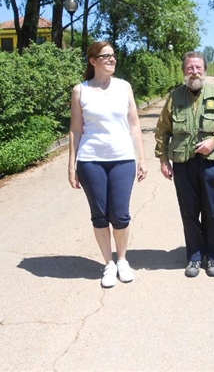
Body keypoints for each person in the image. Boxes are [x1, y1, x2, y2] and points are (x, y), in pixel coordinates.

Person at [68, 41, 148, 288]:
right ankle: (108, 264)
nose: (112, 60)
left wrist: (142, 158)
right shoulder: (80, 91)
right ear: (93, 61)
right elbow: (75, 130)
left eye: (113, 55)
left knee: (120, 214)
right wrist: (72, 165)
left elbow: (134, 124)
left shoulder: (124, 87)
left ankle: (122, 260)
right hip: (90, 160)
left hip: (122, 158)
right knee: (100, 215)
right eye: (106, 56)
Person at [154, 52, 214, 278]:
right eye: (190, 68)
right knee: (189, 211)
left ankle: (213, 257)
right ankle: (195, 256)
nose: (194, 72)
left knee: (212, 210)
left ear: (205, 70)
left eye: (198, 67)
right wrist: (163, 160)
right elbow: (162, 131)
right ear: (184, 71)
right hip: (182, 163)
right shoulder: (174, 97)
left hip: (210, 163)